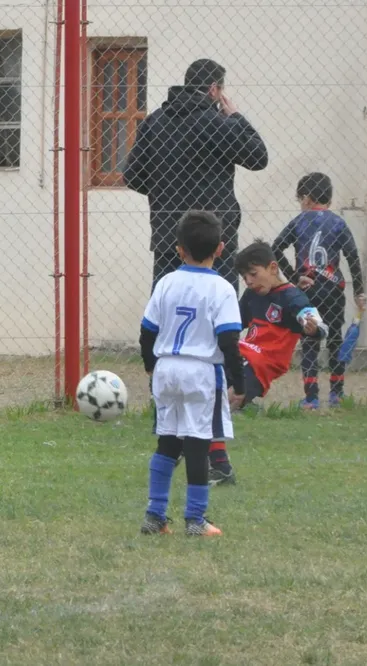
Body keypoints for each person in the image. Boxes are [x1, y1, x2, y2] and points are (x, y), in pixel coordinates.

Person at [137, 211, 245, 538]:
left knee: (167, 440)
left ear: (179, 249)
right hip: (200, 370)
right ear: (221, 248)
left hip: (167, 366)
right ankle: (196, 520)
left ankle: (155, 516)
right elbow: (228, 340)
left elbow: (146, 332)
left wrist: (151, 367)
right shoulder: (222, 288)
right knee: (198, 443)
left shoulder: (166, 282)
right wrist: (238, 384)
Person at [122, 58, 268, 291]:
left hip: (169, 237)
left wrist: (164, 190)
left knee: (167, 308)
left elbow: (132, 176)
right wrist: (236, 117)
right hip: (214, 239)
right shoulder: (216, 123)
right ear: (213, 89)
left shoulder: (154, 121)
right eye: (221, 90)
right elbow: (259, 157)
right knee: (217, 310)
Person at [207, 240, 329, 487]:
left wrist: (315, 327)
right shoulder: (252, 296)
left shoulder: (291, 296)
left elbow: (312, 318)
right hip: (243, 355)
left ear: (273, 268)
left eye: (253, 274)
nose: (249, 281)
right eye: (244, 277)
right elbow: (234, 323)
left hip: (261, 366)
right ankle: (208, 455)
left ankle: (210, 458)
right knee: (208, 391)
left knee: (225, 400)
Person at [273, 173, 367, 409]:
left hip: (308, 292)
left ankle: (311, 397)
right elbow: (352, 256)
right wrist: (359, 291)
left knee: (309, 342)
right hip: (334, 291)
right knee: (335, 339)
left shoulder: (298, 222)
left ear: (306, 198)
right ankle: (336, 393)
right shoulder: (338, 223)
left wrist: (295, 277)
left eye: (299, 198)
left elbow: (275, 248)